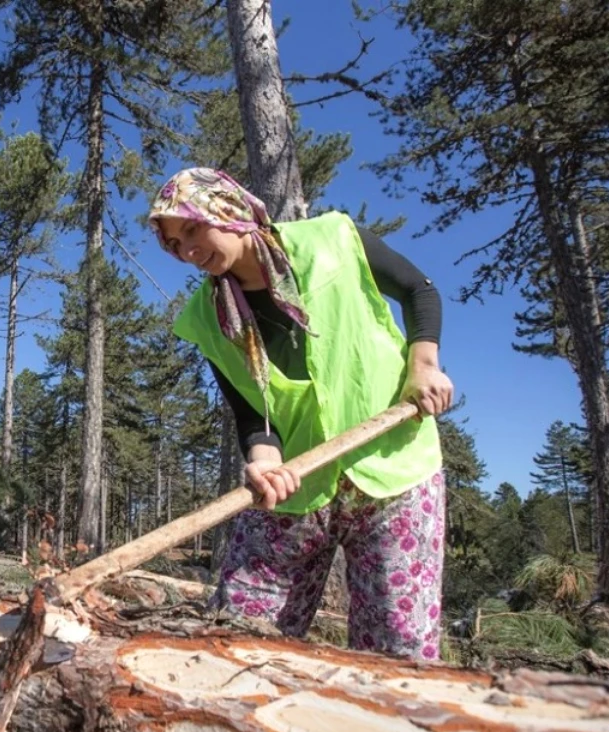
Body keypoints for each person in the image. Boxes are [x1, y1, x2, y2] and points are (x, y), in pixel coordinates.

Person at [147, 168, 453, 660]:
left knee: (399, 649)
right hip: (296, 484)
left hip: (394, 468)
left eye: (192, 229)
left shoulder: (333, 239)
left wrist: (424, 365)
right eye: (175, 245)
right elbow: (251, 410)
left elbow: (420, 290)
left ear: (228, 211)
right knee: (237, 635)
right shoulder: (206, 318)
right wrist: (263, 461)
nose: (188, 251)